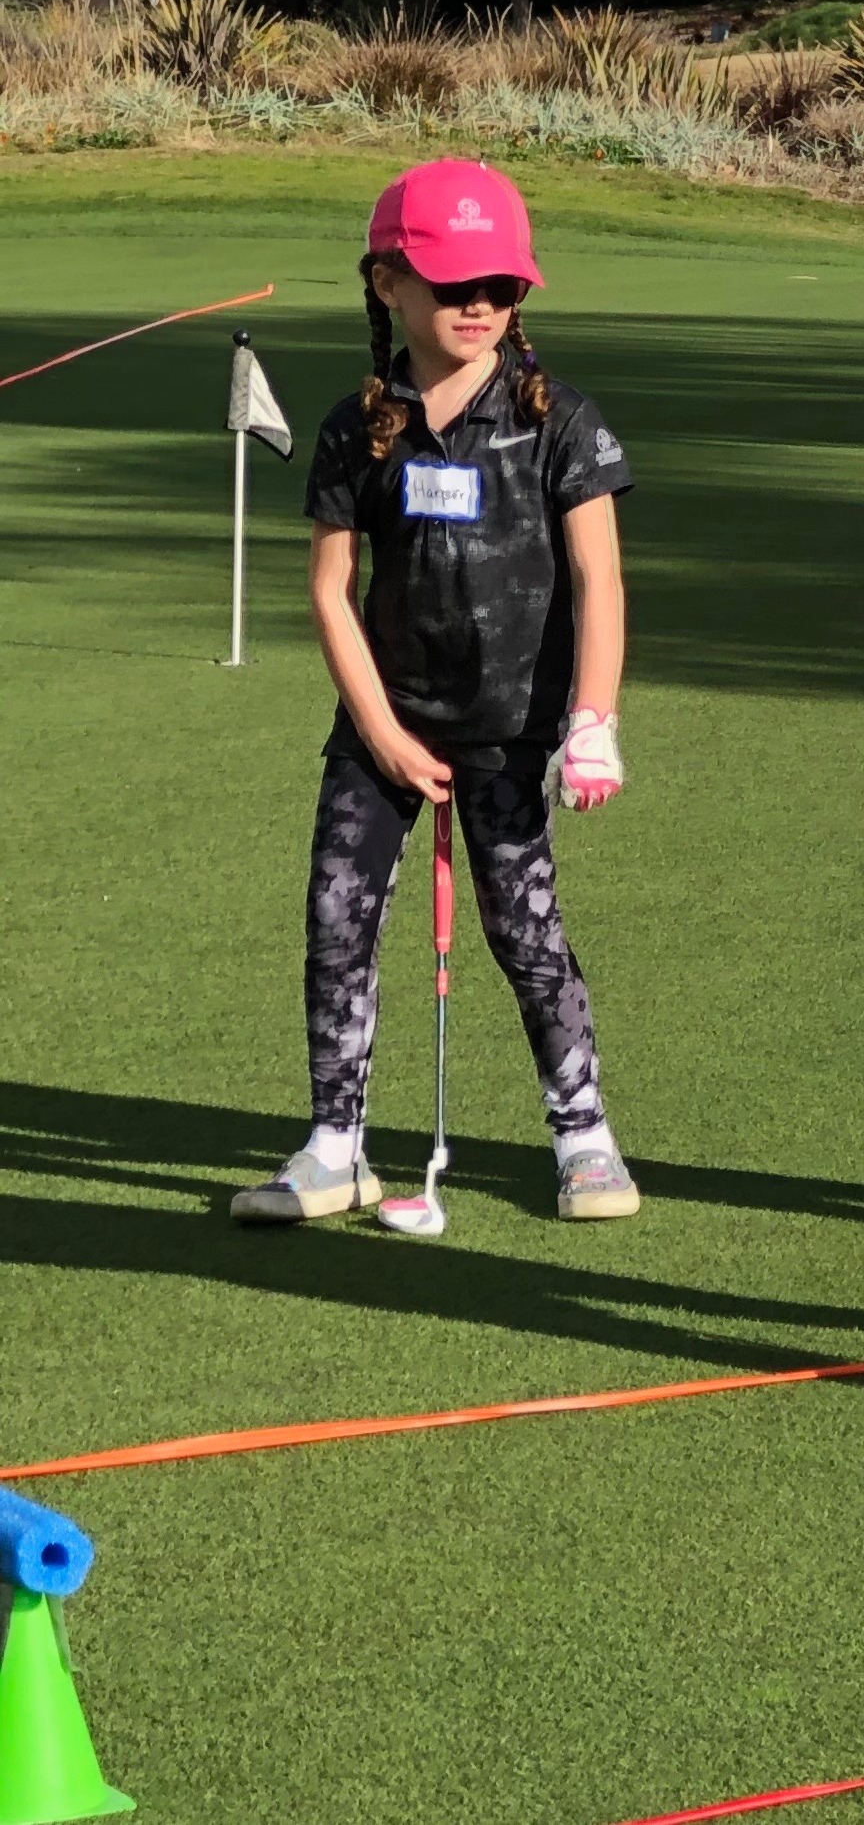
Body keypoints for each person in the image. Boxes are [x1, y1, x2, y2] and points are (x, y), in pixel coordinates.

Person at [239, 161, 642, 1226]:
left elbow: (600, 581)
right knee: (337, 919)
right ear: (388, 285)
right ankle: (337, 1146)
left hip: (513, 731)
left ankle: (584, 1133)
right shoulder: (355, 428)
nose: (479, 306)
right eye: (455, 283)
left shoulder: (559, 421)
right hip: (385, 726)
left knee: (526, 929)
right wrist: (381, 730)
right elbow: (331, 592)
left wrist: (592, 722)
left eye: (501, 287)